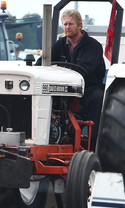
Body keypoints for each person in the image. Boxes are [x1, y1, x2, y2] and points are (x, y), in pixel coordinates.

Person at [38, 9, 106, 146]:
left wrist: (57, 68)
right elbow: (41, 62)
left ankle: (93, 142)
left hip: (88, 88)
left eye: (71, 24)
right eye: (65, 24)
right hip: (63, 88)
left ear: (79, 25)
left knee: (98, 98)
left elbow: (83, 69)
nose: (67, 27)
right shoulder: (60, 44)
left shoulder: (93, 46)